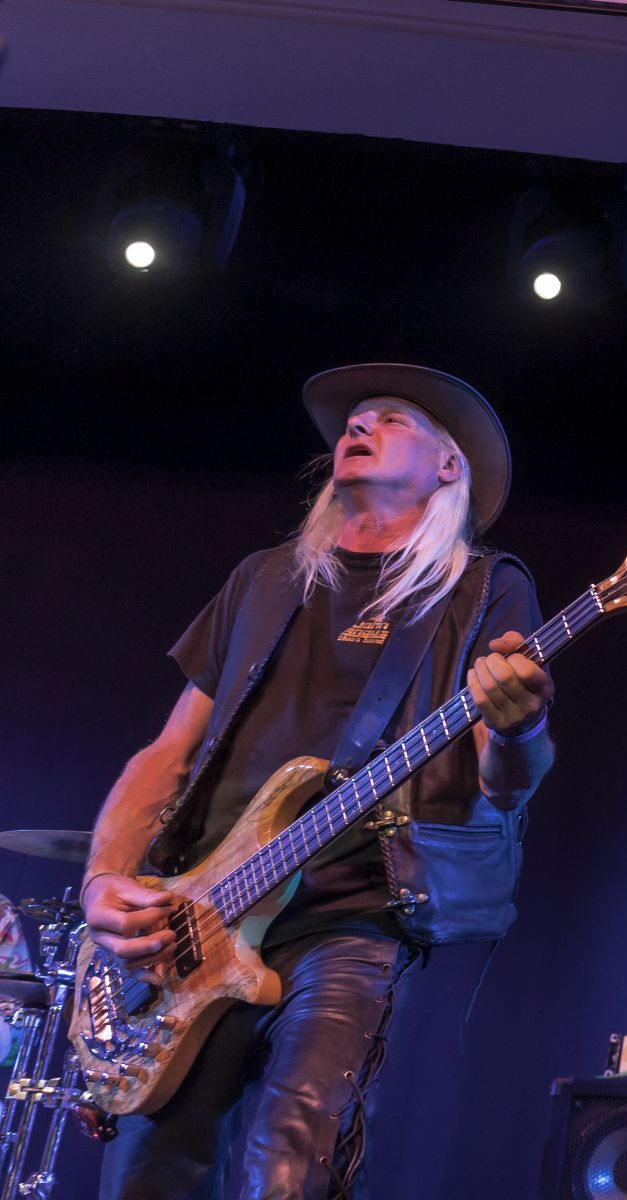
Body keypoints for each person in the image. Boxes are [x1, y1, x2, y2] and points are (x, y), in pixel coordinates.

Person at [79, 364, 555, 1200]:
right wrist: (104, 879)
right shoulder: (265, 579)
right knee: (146, 1180)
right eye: (353, 419)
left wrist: (521, 727)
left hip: (350, 919)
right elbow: (168, 752)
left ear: (449, 466)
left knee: (290, 1171)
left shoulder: (485, 588)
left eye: (391, 419)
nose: (358, 426)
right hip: (201, 916)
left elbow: (506, 785)